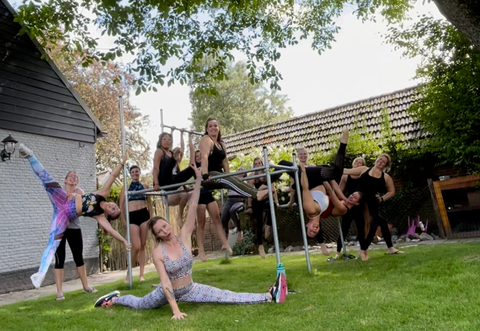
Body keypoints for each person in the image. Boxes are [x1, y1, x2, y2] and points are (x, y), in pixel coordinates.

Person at [94, 164, 287, 316]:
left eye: (165, 225)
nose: (165, 230)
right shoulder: (158, 252)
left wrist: (196, 183)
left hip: (191, 289)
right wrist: (176, 310)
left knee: (226, 296)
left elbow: (193, 204)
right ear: (158, 236)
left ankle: (270, 295)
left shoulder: (184, 235)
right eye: (160, 230)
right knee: (140, 304)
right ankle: (114, 300)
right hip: (166, 293)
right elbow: (165, 283)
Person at [18, 143, 132, 289]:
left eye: (114, 211)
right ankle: (29, 155)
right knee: (47, 180)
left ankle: (39, 275)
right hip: (62, 200)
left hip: (64, 216)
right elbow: (113, 175)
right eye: (115, 207)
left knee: (53, 243)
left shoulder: (99, 216)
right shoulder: (103, 193)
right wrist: (122, 162)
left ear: (108, 215)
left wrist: (123, 241)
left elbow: (111, 231)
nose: (114, 207)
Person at [344, 154, 403, 261]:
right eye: (380, 159)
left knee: (374, 224)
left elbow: (392, 191)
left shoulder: (385, 177)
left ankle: (365, 250)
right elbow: (346, 171)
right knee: (363, 226)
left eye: (383, 162)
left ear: (386, 165)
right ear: (377, 160)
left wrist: (382, 198)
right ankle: (365, 251)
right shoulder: (363, 169)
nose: (380, 162)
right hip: (359, 203)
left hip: (372, 203)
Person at [199, 118, 269, 201]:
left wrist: (228, 175)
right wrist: (205, 175)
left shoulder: (221, 143)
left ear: (219, 128)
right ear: (207, 129)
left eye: (215, 125)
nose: (213, 128)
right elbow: (204, 157)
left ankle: (257, 193)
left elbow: (225, 161)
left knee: (235, 179)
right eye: (210, 126)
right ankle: (256, 194)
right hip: (209, 175)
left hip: (219, 174)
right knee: (231, 181)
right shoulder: (206, 139)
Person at [54, 171, 97, 300]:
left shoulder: (79, 193)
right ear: (65, 180)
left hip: (74, 228)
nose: (73, 178)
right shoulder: (59, 193)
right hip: (60, 229)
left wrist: (79, 196)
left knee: (78, 257)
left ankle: (86, 286)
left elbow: (85, 208)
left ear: (76, 182)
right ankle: (59, 292)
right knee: (59, 259)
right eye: (70, 177)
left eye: (75, 177)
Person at [120, 165, 153, 283]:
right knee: (137, 245)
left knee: (143, 245)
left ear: (140, 172)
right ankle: (129, 273)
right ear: (130, 174)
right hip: (132, 216)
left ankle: (141, 275)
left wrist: (151, 218)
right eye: (133, 172)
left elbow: (149, 203)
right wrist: (123, 220)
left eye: (137, 171)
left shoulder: (145, 186)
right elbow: (121, 205)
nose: (135, 173)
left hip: (144, 215)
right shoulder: (126, 187)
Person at [152, 132, 194, 219]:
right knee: (170, 163)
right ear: (160, 142)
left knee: (192, 168)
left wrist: (185, 187)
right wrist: (156, 184)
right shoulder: (159, 151)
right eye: (164, 139)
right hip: (163, 181)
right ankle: (173, 160)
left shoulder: (171, 153)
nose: (167, 141)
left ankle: (200, 184)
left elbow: (178, 172)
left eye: (169, 139)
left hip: (172, 180)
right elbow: (156, 168)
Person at [334, 157, 366, 259]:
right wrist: (339, 201)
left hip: (359, 206)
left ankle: (363, 251)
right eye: (356, 161)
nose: (357, 163)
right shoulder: (345, 176)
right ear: (353, 163)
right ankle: (338, 252)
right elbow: (339, 191)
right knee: (344, 228)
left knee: (361, 228)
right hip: (348, 205)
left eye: (360, 163)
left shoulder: (363, 176)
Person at [248, 157, 280, 259]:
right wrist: (249, 206)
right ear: (254, 165)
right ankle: (260, 245)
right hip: (256, 200)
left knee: (272, 205)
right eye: (255, 163)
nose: (257, 165)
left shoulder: (267, 175)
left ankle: (268, 227)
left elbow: (273, 189)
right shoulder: (252, 176)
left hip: (266, 199)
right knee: (258, 221)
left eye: (259, 163)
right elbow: (250, 193)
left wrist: (277, 201)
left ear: (262, 164)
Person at [221, 166, 248, 243]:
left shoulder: (245, 180)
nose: (239, 170)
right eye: (238, 169)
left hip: (239, 200)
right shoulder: (232, 180)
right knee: (223, 215)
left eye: (241, 170)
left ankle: (239, 231)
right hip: (230, 199)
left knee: (233, 210)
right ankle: (226, 233)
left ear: (244, 174)